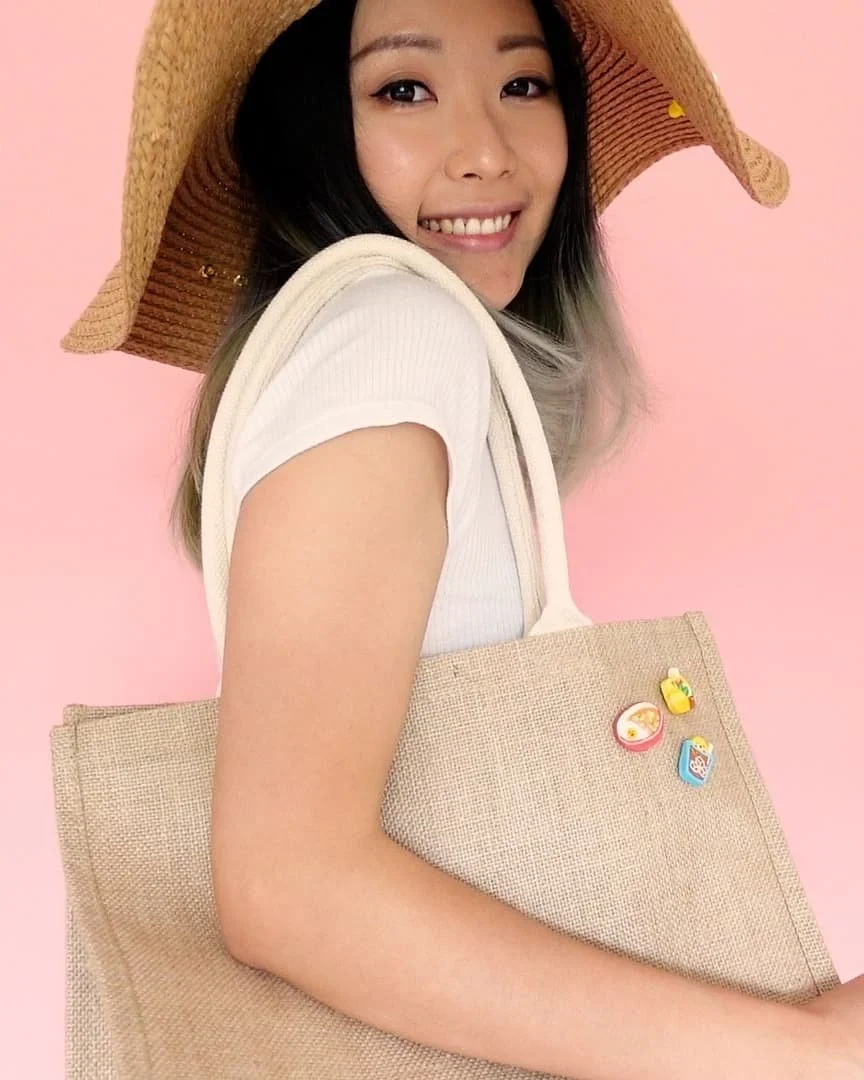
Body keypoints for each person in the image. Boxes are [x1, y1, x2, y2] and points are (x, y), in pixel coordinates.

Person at [66, 0, 864, 1076]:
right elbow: (288, 888)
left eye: (525, 85)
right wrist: (804, 1052)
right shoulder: (396, 335)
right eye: (405, 89)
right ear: (309, 122)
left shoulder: (380, 343)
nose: (486, 151)